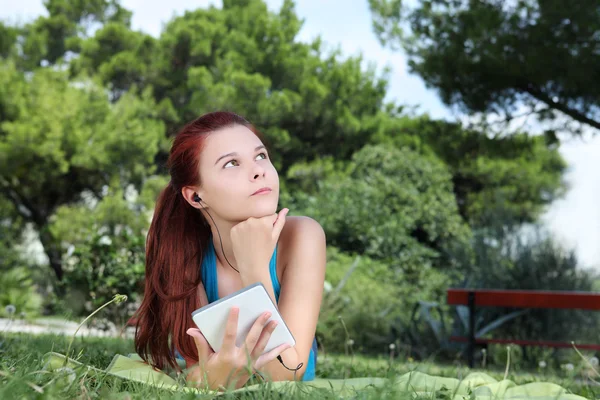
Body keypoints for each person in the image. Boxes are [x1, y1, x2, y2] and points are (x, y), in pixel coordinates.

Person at [133, 111, 326, 390]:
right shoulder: (186, 251)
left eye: (261, 156)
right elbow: (194, 371)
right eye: (232, 163)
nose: (259, 170)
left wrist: (255, 269)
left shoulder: (302, 236)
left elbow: (286, 373)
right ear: (196, 196)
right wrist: (215, 373)